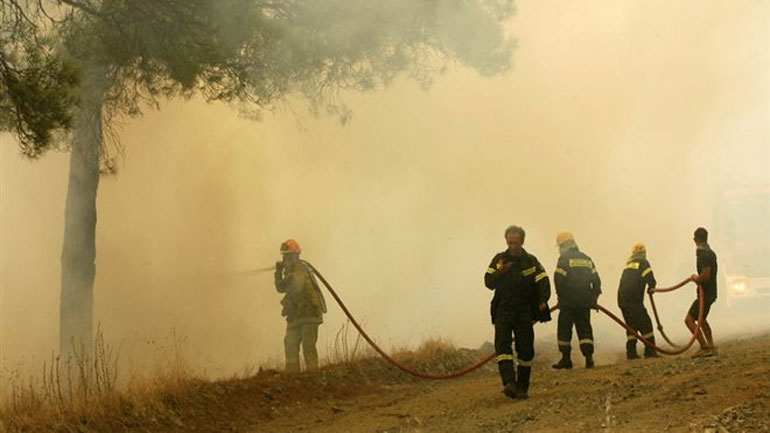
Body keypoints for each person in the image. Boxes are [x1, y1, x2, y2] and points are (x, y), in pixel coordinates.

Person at [484, 225, 551, 400]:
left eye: (516, 242)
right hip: (504, 310)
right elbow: (488, 281)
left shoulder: (531, 261)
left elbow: (543, 280)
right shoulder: (500, 260)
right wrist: (500, 271)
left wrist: (543, 299)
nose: (512, 246)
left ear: (522, 241)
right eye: (510, 242)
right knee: (503, 347)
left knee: (526, 350)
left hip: (524, 312)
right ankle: (509, 383)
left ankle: (522, 387)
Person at [274, 239, 327, 372]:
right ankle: (293, 381)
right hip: (297, 316)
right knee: (290, 345)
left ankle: (313, 378)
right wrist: (278, 274)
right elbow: (281, 288)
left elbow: (295, 289)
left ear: (295, 256)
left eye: (287, 256)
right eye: (283, 256)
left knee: (308, 347)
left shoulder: (300, 269)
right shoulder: (290, 272)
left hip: (309, 314)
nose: (284, 258)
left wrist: (287, 275)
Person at [552, 232, 601, 369]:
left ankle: (566, 359)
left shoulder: (564, 259)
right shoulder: (587, 259)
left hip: (568, 302)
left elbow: (558, 280)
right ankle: (589, 358)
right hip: (585, 302)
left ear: (563, 245)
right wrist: (594, 298)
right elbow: (596, 281)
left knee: (564, 329)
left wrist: (560, 297)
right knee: (584, 328)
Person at [617, 243, 658, 359]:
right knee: (646, 323)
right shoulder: (643, 262)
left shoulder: (628, 264)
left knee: (631, 326)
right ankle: (650, 351)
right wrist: (652, 286)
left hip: (622, 300)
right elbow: (650, 278)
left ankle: (631, 353)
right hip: (634, 300)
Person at [686, 227, 718, 358]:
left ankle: (704, 347)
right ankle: (711, 346)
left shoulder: (703, 255)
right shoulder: (710, 252)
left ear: (695, 240)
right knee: (702, 319)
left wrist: (696, 278)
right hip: (710, 293)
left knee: (689, 320)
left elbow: (706, 274)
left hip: (705, 294)